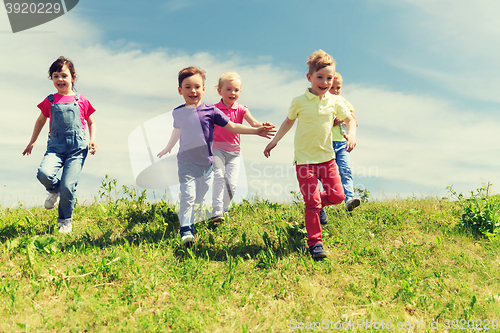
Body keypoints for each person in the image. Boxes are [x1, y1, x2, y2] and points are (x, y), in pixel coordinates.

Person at [157, 66, 275, 246]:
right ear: (180, 90)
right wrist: (168, 147)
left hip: (206, 163)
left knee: (199, 196)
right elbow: (177, 131)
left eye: (197, 86)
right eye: (187, 87)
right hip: (186, 162)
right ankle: (187, 231)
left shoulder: (211, 112)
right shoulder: (178, 112)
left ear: (204, 89)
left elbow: (233, 127)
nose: (193, 91)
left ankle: (201, 207)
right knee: (189, 196)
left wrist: (256, 130)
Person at [263, 50, 357, 259]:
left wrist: (351, 134)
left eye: (329, 78)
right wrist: (274, 141)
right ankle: (315, 243)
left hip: (328, 159)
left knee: (338, 196)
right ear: (310, 77)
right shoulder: (299, 101)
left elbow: (350, 119)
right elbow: (288, 121)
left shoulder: (335, 101)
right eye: (320, 77)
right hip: (305, 162)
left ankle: (317, 204)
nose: (324, 82)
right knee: (311, 203)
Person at [22, 56, 97, 234]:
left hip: (77, 149)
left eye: (64, 75)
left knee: (68, 185)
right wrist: (32, 141)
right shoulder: (50, 100)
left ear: (73, 77)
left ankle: (65, 221)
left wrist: (92, 139)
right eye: (55, 76)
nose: (60, 80)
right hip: (55, 147)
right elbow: (40, 121)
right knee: (43, 174)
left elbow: (91, 121)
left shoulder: (81, 100)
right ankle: (54, 190)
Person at [211, 71, 272, 221]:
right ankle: (217, 210)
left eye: (236, 90)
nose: (233, 93)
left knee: (232, 184)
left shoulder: (242, 109)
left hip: (234, 152)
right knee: (219, 177)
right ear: (219, 91)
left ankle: (224, 210)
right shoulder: (214, 110)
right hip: (217, 148)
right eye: (229, 89)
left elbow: (254, 123)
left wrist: (263, 125)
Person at [319, 72, 360, 225]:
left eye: (338, 88)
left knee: (345, 169)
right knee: (327, 175)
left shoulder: (343, 101)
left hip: (341, 143)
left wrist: (343, 118)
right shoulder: (321, 102)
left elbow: (354, 121)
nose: (335, 91)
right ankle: (323, 199)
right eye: (333, 88)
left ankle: (349, 199)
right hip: (326, 143)